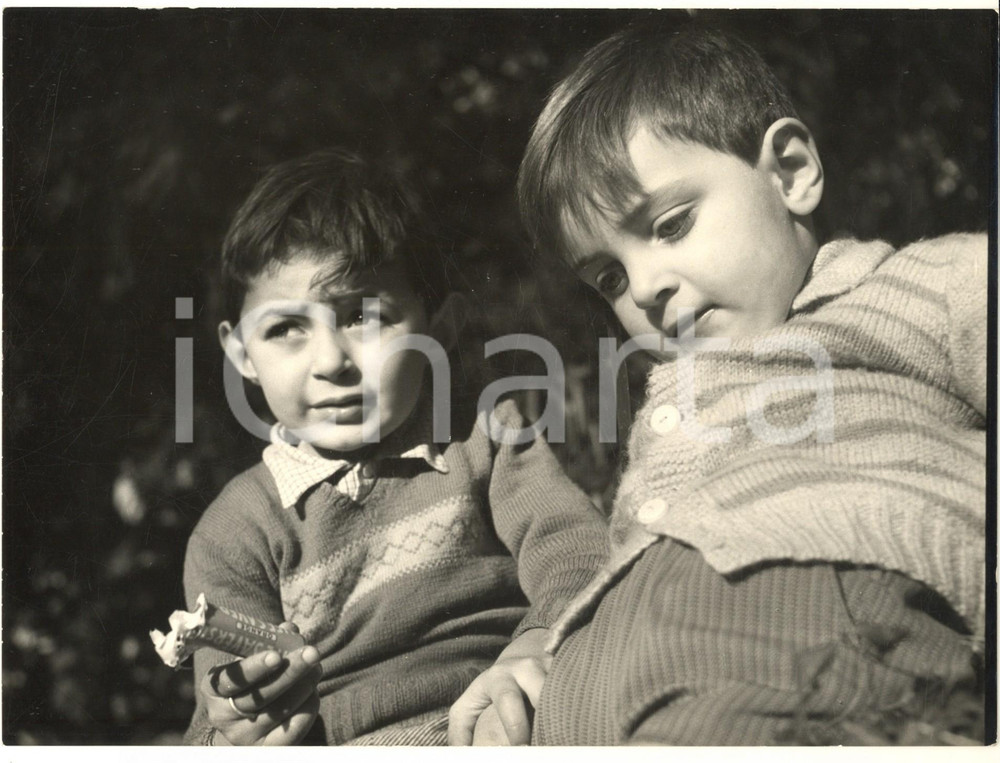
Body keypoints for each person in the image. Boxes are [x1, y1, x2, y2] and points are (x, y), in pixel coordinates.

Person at [500, 23, 986, 745]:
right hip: (601, 681)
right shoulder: (673, 402)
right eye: (610, 277)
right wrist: (535, 650)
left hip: (805, 609)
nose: (645, 286)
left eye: (669, 225)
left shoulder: (916, 288)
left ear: (790, 172)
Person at [181, 148, 608, 745]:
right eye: (285, 329)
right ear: (241, 354)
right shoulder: (234, 533)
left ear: (441, 328)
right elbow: (219, 709)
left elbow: (574, 551)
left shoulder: (484, 436)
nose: (330, 362)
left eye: (363, 316)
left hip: (504, 709)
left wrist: (538, 642)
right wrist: (242, 723)